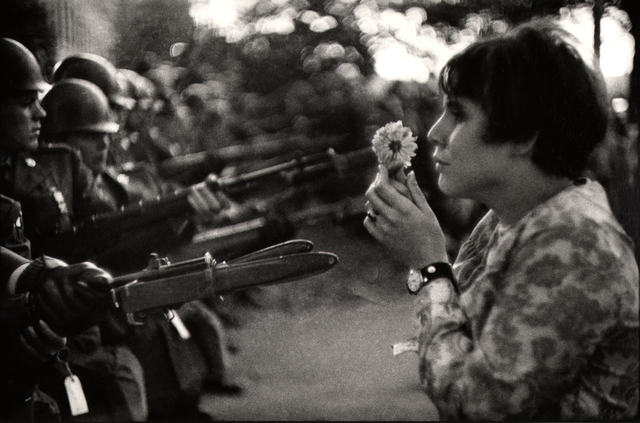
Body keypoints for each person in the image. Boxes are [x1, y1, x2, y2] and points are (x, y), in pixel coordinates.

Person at [364, 19, 639, 421]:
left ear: (525, 134)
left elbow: (476, 404)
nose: (436, 133)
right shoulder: (509, 219)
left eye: (458, 113)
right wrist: (423, 255)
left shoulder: (573, 240)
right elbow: (456, 327)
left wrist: (427, 266)